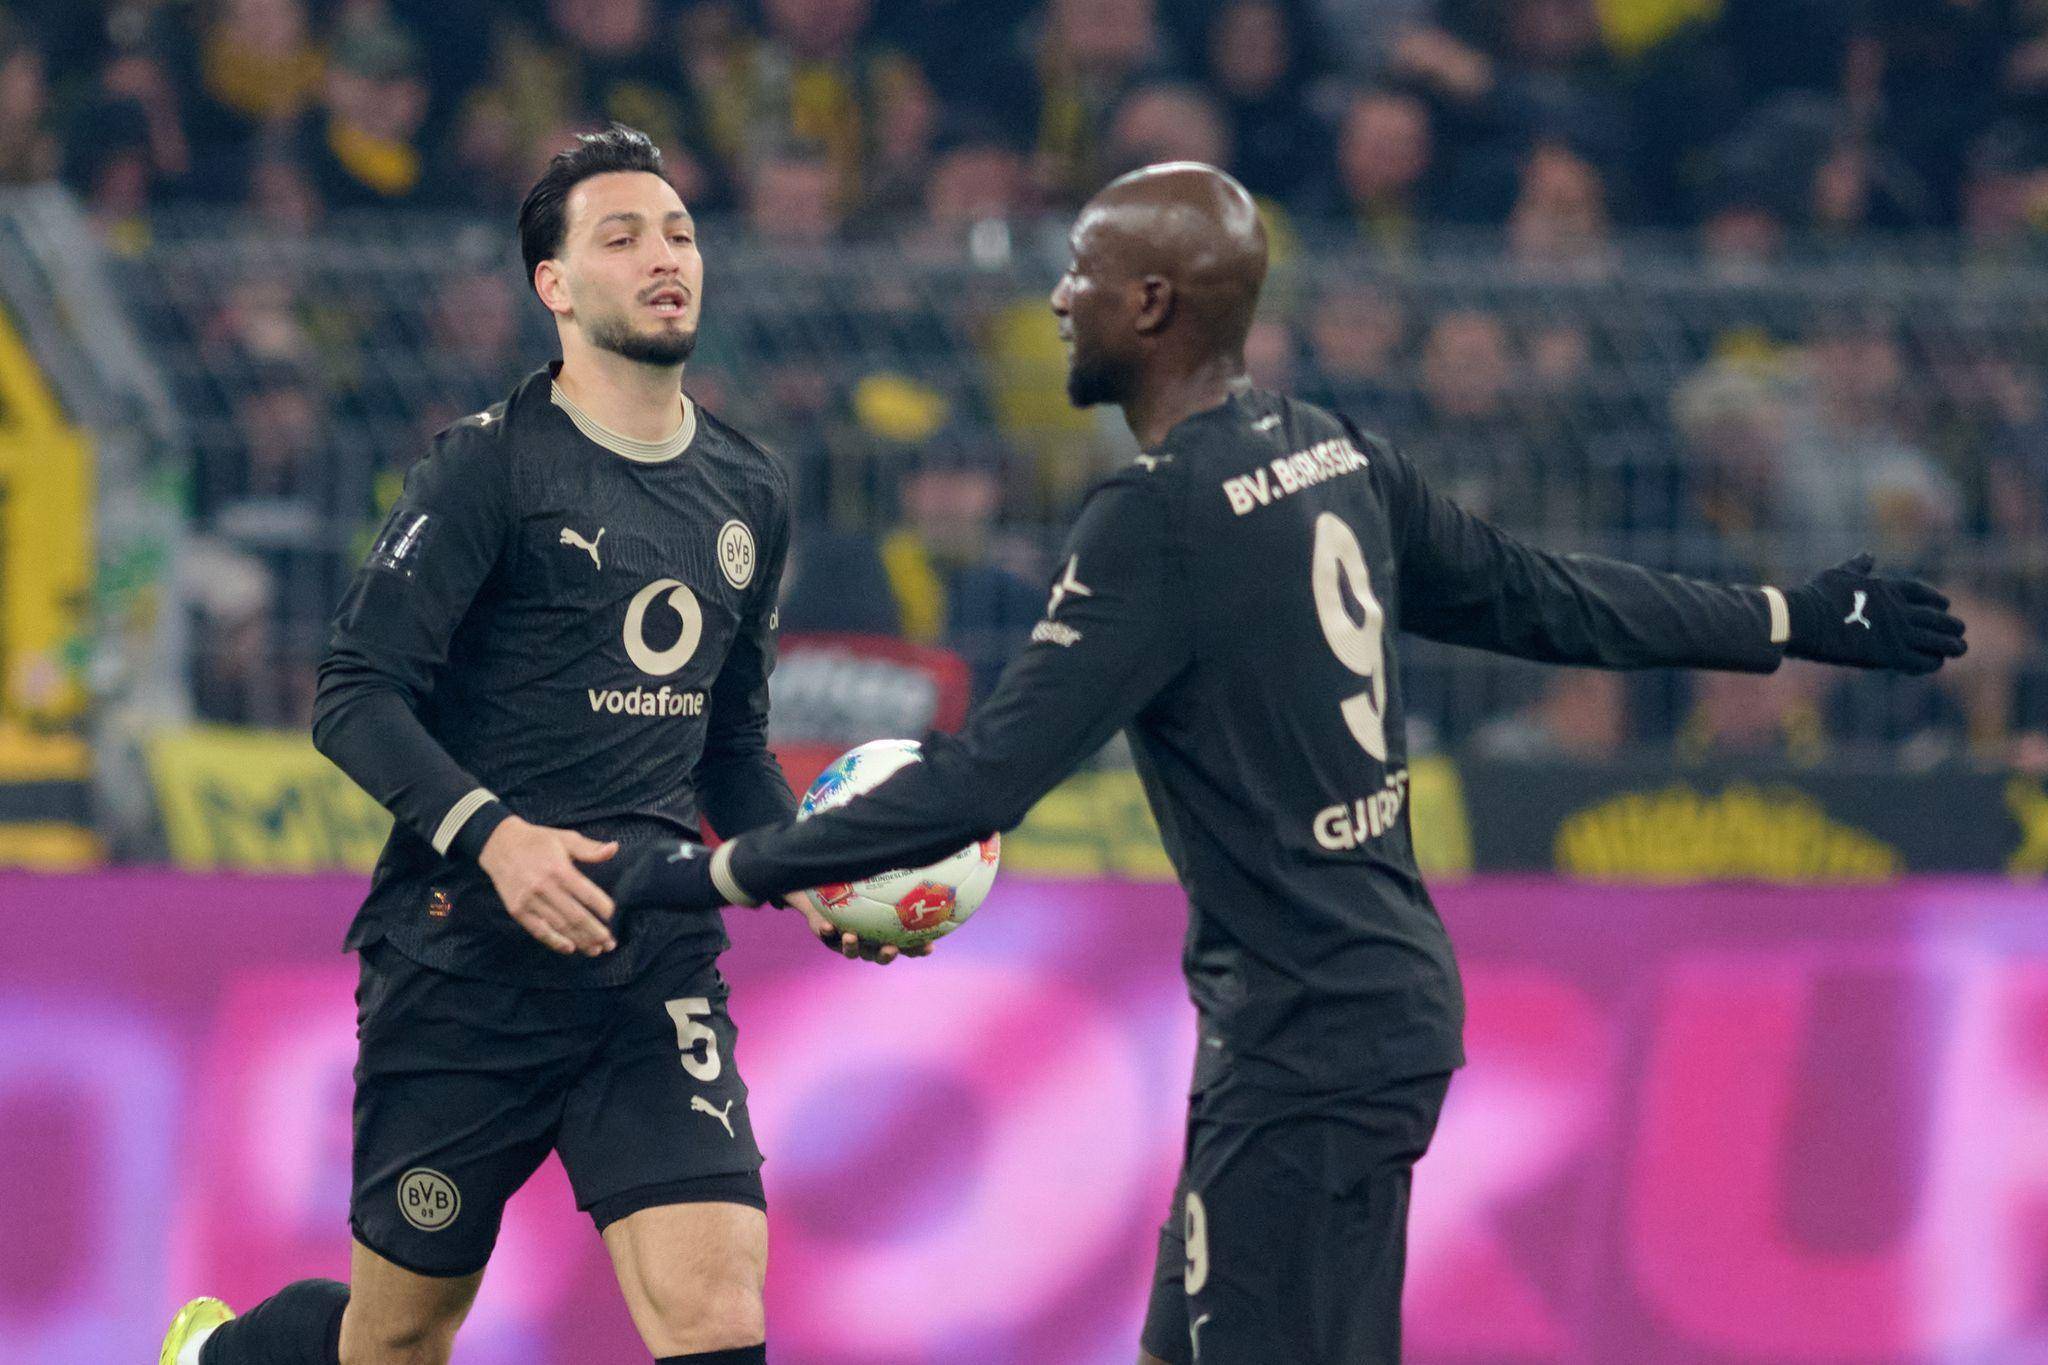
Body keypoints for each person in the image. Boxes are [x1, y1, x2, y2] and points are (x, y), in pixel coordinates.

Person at [609, 161, 1969, 1363]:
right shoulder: (1330, 450)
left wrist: (707, 873)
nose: (1059, 300)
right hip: (1324, 1018)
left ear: (1152, 305)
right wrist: (1786, 618)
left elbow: (982, 784)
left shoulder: (1156, 520)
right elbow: (1540, 597)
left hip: (1310, 1041)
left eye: (1083, 273)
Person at [160, 123, 896, 1365]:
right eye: (622, 237)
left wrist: (804, 868)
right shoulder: (487, 466)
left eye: (679, 234)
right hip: (465, 964)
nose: (663, 258)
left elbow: (728, 741)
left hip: (650, 964)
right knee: (399, 1339)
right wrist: (499, 842)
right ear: (553, 284)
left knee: (717, 1316)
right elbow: (353, 692)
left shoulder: (749, 489)